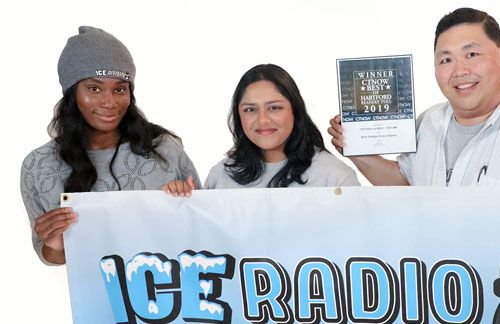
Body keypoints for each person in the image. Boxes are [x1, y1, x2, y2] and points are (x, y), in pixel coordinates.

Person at [328, 8, 500, 186]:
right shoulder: (428, 122)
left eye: (472, 54)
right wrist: (357, 148)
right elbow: (405, 185)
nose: (460, 71)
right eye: (446, 59)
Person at [20, 26, 201, 265]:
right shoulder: (39, 165)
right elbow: (51, 257)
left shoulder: (163, 148)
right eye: (94, 89)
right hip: (98, 296)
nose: (109, 102)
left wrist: (184, 199)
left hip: (172, 291)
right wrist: (56, 244)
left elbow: (202, 229)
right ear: (72, 93)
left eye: (119, 89)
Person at [165, 64, 359, 193]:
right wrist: (181, 202)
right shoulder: (221, 175)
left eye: (274, 108)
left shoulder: (334, 176)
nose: (263, 120)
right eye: (250, 109)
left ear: (295, 110)